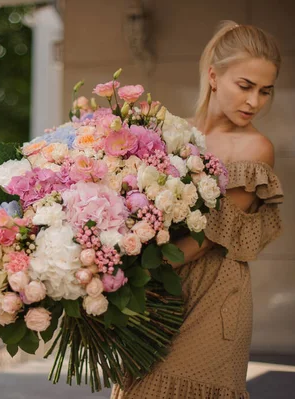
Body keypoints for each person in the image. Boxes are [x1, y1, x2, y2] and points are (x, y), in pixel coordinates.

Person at [111, 20, 284, 399]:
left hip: (214, 294)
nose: (254, 101)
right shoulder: (171, 133)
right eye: (245, 86)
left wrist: (132, 272)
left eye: (265, 91)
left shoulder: (256, 149)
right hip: (157, 294)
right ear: (214, 76)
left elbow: (209, 237)